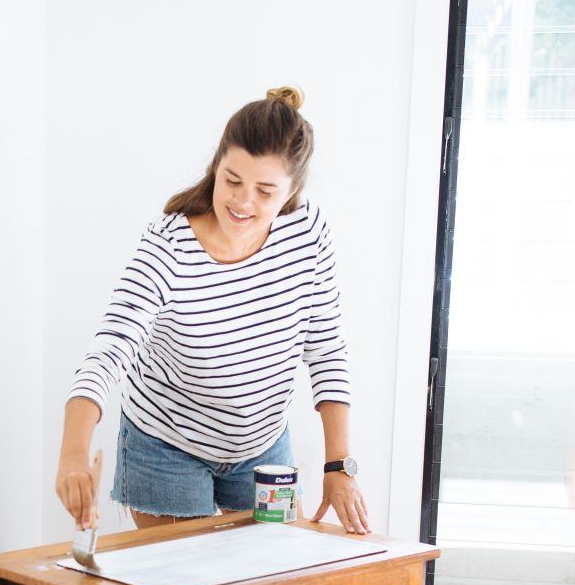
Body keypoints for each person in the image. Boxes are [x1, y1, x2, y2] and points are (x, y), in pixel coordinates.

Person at [55, 86, 370, 535]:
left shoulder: (308, 230)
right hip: (167, 448)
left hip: (262, 443)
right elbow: (110, 350)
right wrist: (72, 455)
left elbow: (325, 345)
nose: (243, 202)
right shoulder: (169, 248)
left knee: (275, 579)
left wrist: (339, 464)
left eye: (265, 191)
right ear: (216, 166)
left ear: (292, 191)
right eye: (232, 180)